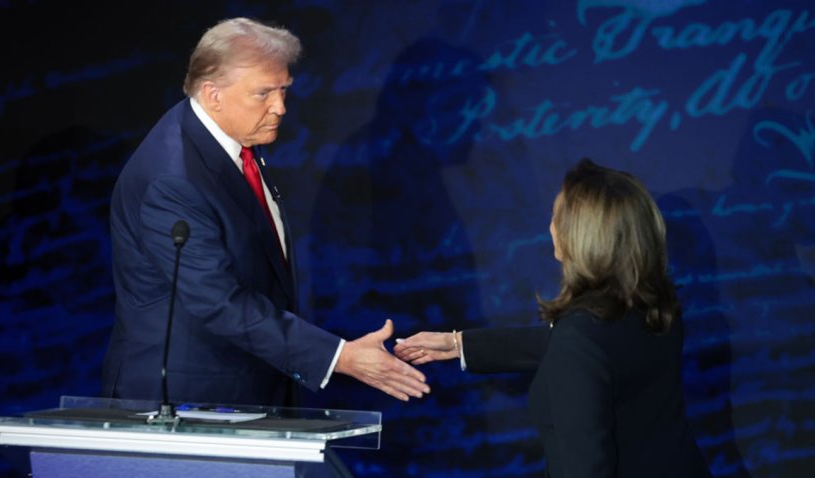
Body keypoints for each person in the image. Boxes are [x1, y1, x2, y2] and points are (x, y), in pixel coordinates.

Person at [102, 17, 429, 407]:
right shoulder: (173, 180)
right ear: (213, 94)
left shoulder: (227, 139)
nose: (280, 108)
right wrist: (337, 356)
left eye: (284, 90)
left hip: (247, 388)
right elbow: (219, 301)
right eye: (263, 94)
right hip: (187, 403)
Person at [395, 159, 712, 477]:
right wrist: (458, 344)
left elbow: (584, 467)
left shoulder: (580, 338)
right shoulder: (654, 305)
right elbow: (584, 349)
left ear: (580, 237)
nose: (550, 227)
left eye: (555, 217)